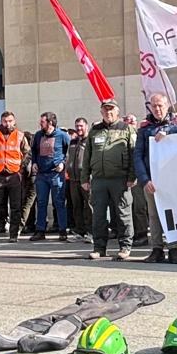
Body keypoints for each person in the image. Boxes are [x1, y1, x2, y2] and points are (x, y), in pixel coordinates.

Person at [134, 93, 177, 264]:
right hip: (152, 182)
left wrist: (169, 135)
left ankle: (174, 249)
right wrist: (144, 180)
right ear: (150, 107)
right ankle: (156, 249)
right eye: (154, 106)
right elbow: (138, 156)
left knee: (172, 214)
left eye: (161, 105)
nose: (157, 109)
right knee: (154, 216)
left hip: (172, 180)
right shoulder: (144, 130)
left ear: (167, 106)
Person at [83, 100, 137, 260]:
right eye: (105, 110)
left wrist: (132, 177)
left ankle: (125, 246)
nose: (108, 113)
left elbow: (133, 154)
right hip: (99, 180)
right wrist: (85, 177)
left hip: (120, 179)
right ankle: (99, 248)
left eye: (111, 110)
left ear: (117, 111)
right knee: (98, 215)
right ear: (101, 112)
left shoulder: (127, 129)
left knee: (123, 213)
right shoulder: (95, 130)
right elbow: (87, 156)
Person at [0, 111, 28, 241]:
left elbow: (27, 154)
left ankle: (13, 235)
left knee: (15, 207)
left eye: (10, 121)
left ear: (14, 122)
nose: (8, 124)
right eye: (5, 121)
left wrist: (21, 171)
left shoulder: (20, 136)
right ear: (1, 121)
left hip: (14, 175)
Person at [29, 113, 71, 241]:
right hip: (42, 175)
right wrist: (35, 162)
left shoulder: (63, 136)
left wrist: (63, 164)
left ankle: (62, 230)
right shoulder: (38, 135)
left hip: (56, 175)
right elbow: (34, 151)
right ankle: (40, 230)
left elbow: (69, 152)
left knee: (59, 202)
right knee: (41, 203)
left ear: (50, 123)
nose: (40, 123)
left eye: (42, 121)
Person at [64, 117, 92, 242]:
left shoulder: (90, 141)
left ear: (86, 126)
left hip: (86, 179)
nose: (79, 128)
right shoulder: (73, 142)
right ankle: (80, 231)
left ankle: (91, 232)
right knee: (77, 206)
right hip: (73, 179)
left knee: (89, 206)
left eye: (81, 126)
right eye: (77, 126)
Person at [124, 113, 149, 246]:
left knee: (140, 207)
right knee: (131, 207)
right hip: (128, 176)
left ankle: (142, 234)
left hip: (141, 176)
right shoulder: (124, 136)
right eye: (126, 121)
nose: (128, 124)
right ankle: (133, 233)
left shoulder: (140, 134)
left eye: (131, 121)